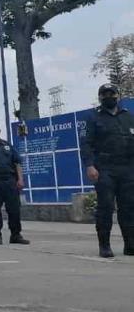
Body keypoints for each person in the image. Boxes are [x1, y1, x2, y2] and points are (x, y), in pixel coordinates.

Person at [80, 83, 134, 257]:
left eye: (112, 94)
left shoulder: (128, 117)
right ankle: (105, 246)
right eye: (105, 94)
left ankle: (130, 245)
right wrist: (89, 165)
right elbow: (86, 144)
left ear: (118, 96)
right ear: (100, 98)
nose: (109, 97)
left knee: (129, 207)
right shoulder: (93, 117)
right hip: (104, 169)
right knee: (106, 207)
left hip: (127, 168)